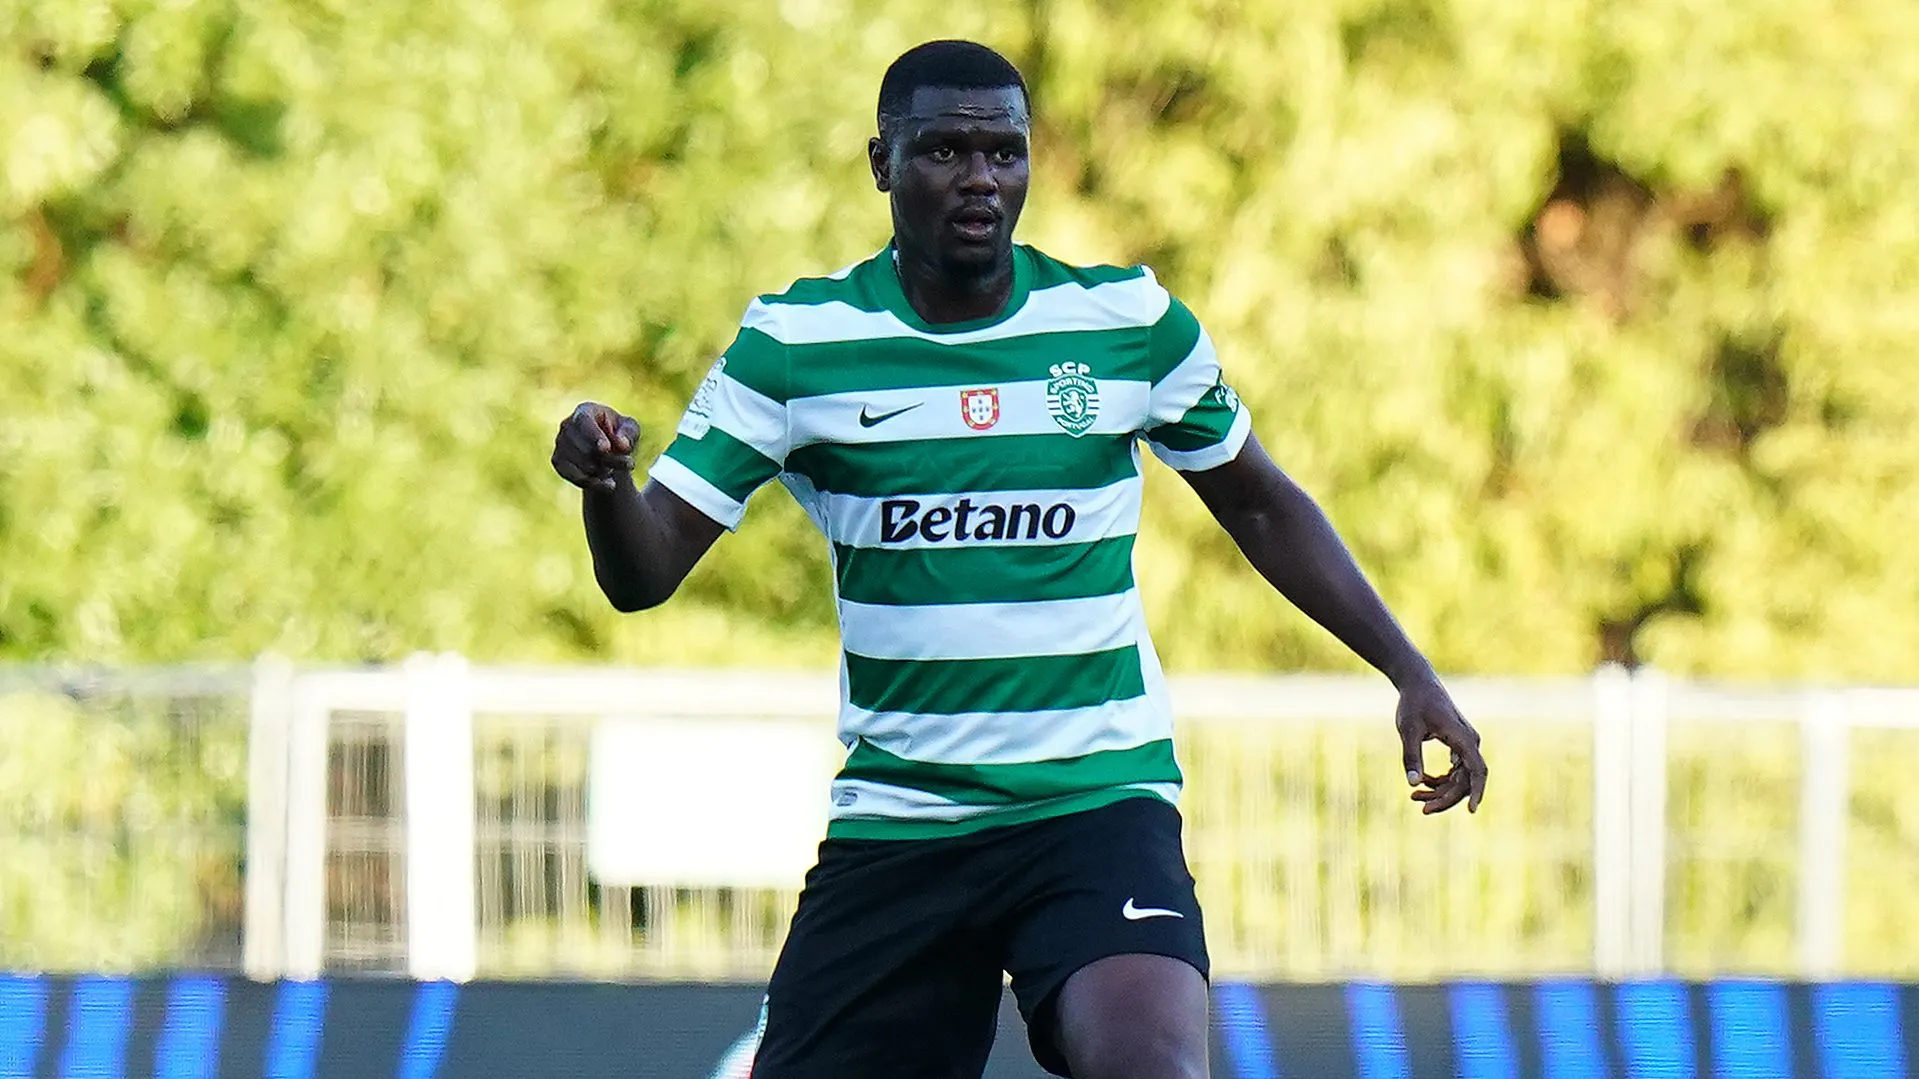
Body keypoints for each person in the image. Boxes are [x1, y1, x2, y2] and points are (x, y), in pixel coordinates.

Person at [550, 38, 1487, 1079]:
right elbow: (641, 576)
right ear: (880, 162)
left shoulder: (1123, 323)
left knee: (1149, 1064)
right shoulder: (796, 346)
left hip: (1093, 802)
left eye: (1003, 153)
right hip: (903, 819)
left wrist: (1407, 669)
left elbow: (1261, 506)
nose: (978, 180)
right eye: (943, 151)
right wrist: (604, 487)